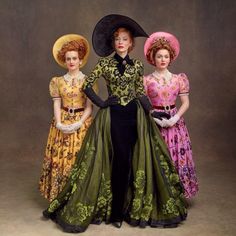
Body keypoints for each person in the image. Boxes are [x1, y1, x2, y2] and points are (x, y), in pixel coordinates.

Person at [42, 15, 187, 233]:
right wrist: (102, 103)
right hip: (112, 117)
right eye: (117, 39)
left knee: (133, 159)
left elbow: (140, 93)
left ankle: (128, 208)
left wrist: (152, 111)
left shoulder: (138, 65)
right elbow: (87, 86)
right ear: (113, 43)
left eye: (125, 39)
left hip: (135, 116)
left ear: (131, 43)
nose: (121, 42)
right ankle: (116, 211)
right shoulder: (104, 64)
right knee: (118, 159)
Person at [39, 34, 95, 202]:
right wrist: (59, 123)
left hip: (81, 122)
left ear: (80, 60)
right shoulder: (57, 81)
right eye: (68, 58)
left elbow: (89, 107)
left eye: (74, 58)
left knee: (78, 159)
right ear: (64, 61)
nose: (71, 61)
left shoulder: (88, 81)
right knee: (61, 158)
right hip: (62, 119)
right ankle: (59, 197)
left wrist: (79, 122)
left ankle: (76, 198)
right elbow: (57, 103)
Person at [143, 32, 199, 198]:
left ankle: (175, 193)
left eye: (166, 56)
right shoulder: (146, 80)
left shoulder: (179, 79)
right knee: (157, 155)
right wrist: (154, 117)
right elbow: (142, 102)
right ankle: (159, 194)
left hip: (175, 123)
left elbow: (186, 102)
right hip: (155, 120)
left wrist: (175, 118)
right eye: (159, 56)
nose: (162, 59)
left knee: (176, 155)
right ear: (153, 58)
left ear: (170, 57)